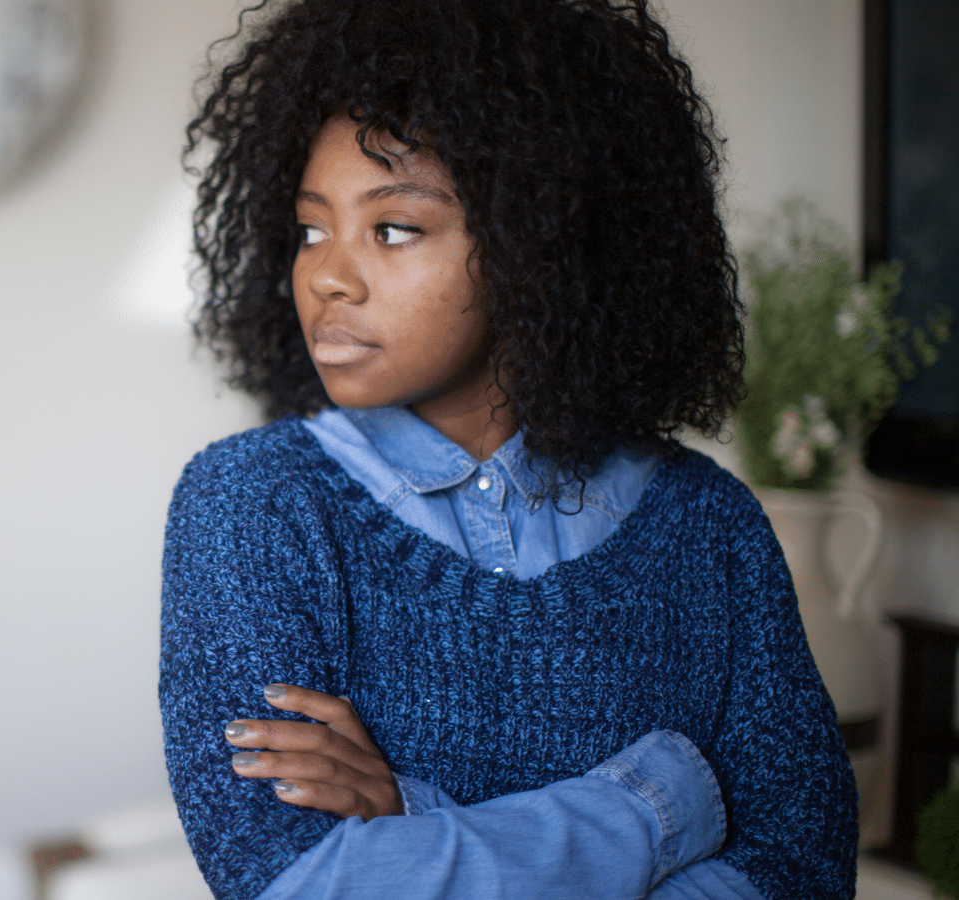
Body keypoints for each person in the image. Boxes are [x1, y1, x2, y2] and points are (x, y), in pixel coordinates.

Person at [157, 1, 858, 899]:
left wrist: (412, 821)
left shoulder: (709, 527)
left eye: (394, 228)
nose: (326, 274)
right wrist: (657, 807)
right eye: (309, 228)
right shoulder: (251, 505)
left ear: (542, 242)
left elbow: (803, 869)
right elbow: (292, 881)